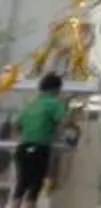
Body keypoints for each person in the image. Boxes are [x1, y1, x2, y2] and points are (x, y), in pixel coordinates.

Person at [9, 73, 67, 208]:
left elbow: (16, 125)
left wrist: (28, 133)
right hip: (40, 148)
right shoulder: (54, 103)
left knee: (21, 183)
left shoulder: (30, 104)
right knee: (35, 185)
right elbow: (63, 122)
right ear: (56, 89)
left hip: (23, 148)